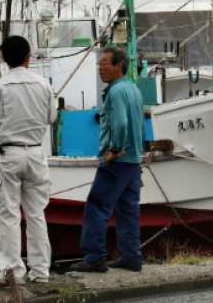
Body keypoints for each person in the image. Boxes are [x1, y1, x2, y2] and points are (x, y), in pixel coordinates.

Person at [0, 35, 56, 283]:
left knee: (9, 214)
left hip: (10, 154)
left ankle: (13, 270)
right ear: (28, 57)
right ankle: (40, 271)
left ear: (4, 58)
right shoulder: (44, 85)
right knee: (37, 213)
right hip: (37, 153)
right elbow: (51, 117)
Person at [70, 46, 145, 273]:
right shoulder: (133, 89)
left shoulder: (114, 92)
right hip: (133, 161)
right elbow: (137, 123)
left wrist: (114, 149)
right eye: (99, 64)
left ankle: (94, 257)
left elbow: (120, 123)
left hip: (118, 161)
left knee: (97, 205)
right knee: (127, 209)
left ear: (118, 65)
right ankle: (131, 256)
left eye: (104, 64)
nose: (100, 68)